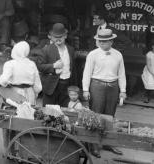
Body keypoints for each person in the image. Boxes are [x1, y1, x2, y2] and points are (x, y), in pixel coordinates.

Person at [82, 28, 126, 157]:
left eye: (105, 41)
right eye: (100, 41)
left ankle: (108, 143)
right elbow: (87, 72)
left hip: (113, 86)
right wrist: (85, 89)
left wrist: (123, 90)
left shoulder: (118, 55)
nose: (102, 44)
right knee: (96, 115)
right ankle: (94, 145)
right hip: (97, 85)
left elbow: (122, 74)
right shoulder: (92, 54)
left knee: (110, 115)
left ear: (111, 41)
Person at [32, 23, 76, 106]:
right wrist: (53, 66)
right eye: (56, 37)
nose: (58, 39)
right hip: (51, 86)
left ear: (65, 36)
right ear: (51, 37)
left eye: (60, 37)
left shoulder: (71, 50)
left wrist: (74, 86)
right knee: (48, 111)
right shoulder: (46, 50)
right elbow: (40, 66)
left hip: (66, 85)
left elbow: (74, 69)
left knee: (65, 111)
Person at [0, 41, 42, 105]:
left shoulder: (10, 64)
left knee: (14, 113)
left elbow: (3, 81)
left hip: (15, 93)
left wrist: (6, 87)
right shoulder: (32, 64)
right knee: (28, 113)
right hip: (30, 93)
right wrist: (34, 93)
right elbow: (38, 87)